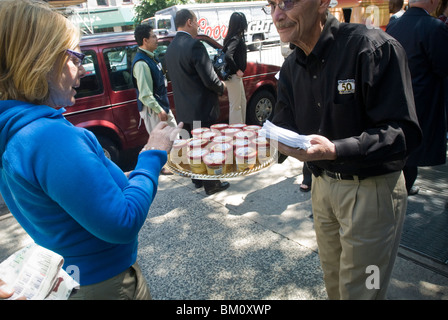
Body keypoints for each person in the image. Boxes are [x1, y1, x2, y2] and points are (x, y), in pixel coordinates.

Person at [0, 0, 182, 300]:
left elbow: (69, 198)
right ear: (39, 60)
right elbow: (122, 222)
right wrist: (152, 154)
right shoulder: (48, 137)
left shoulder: (13, 129)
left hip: (72, 277)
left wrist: (132, 174)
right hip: (105, 281)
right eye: (75, 57)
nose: (83, 70)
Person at [266, 0, 422, 299]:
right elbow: (282, 126)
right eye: (271, 4)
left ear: (323, 3)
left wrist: (336, 150)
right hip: (321, 189)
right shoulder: (290, 66)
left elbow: (404, 134)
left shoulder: (372, 48)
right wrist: (247, 147)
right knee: (334, 281)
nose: (277, 14)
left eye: (287, 2)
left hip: (372, 192)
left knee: (366, 289)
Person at [165, 9, 229, 195]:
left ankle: (197, 178)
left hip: (183, 110)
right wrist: (222, 87)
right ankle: (212, 184)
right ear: (189, 22)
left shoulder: (170, 48)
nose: (199, 25)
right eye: (197, 21)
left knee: (191, 146)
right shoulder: (194, 45)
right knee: (206, 146)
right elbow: (209, 79)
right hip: (201, 108)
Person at [387, 0, 448, 196]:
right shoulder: (435, 27)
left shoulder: (394, 25)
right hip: (422, 99)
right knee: (414, 151)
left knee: (403, 150)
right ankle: (401, 192)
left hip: (395, 98)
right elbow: (443, 67)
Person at [132, 24, 177, 175]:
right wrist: (159, 110)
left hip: (161, 105)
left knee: (172, 134)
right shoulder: (141, 63)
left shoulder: (151, 57)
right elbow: (145, 94)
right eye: (153, 36)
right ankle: (163, 167)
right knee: (159, 138)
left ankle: (172, 163)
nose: (157, 39)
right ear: (145, 40)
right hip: (154, 109)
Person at [223, 12, 248, 124]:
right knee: (236, 106)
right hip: (233, 76)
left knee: (242, 103)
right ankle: (236, 133)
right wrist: (237, 69)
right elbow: (228, 55)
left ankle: (241, 128)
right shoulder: (235, 38)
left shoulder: (232, 37)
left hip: (235, 77)